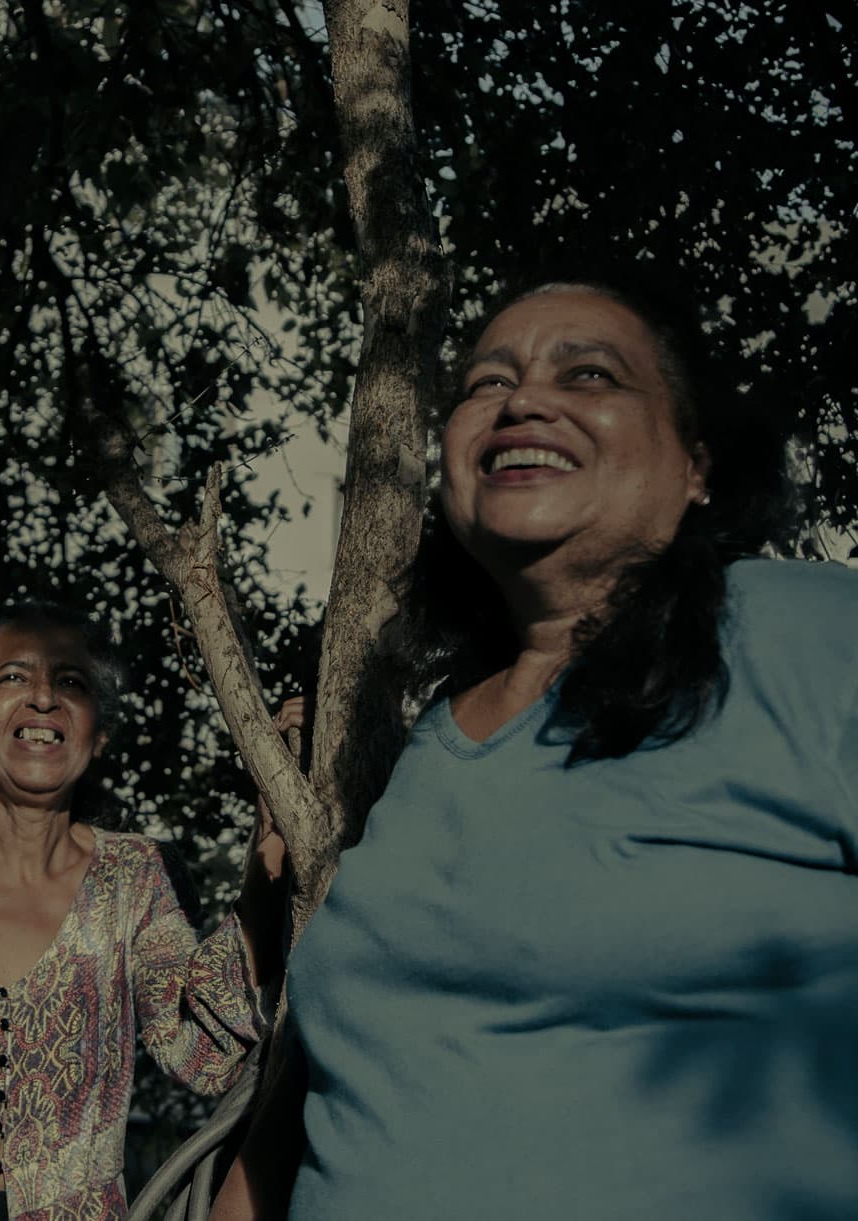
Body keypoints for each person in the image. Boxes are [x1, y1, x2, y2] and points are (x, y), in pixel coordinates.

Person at [215, 273, 858, 1219]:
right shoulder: (430, 744)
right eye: (485, 383)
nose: (522, 400)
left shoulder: (808, 634)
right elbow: (300, 1128)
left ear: (698, 467)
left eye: (590, 373)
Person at [0, 603, 288, 1219]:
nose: (43, 700)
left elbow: (201, 1052)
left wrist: (271, 840)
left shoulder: (138, 876)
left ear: (98, 734)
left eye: (71, 684)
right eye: (11, 678)